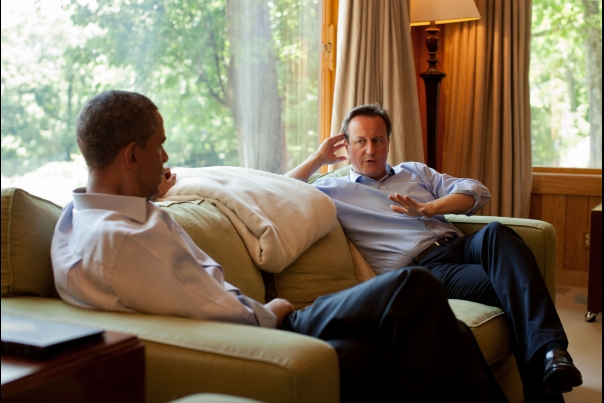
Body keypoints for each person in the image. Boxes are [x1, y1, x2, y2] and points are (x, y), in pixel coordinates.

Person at [51, 90, 507, 403]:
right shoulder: (125, 240)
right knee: (410, 288)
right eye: (159, 146)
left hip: (259, 319)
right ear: (132, 155)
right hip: (267, 329)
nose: (166, 159)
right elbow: (222, 311)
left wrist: (156, 193)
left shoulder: (84, 217)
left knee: (430, 329)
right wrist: (276, 309)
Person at [286, 103, 583, 402]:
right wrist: (318, 158)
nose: (370, 150)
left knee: (496, 232)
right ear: (346, 147)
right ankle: (552, 362)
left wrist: (429, 208)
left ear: (388, 142)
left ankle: (552, 359)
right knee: (518, 283)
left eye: (378, 140)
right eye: (360, 141)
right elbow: (278, 191)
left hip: (461, 245)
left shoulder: (413, 171)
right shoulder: (331, 190)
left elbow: (476, 190)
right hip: (428, 269)